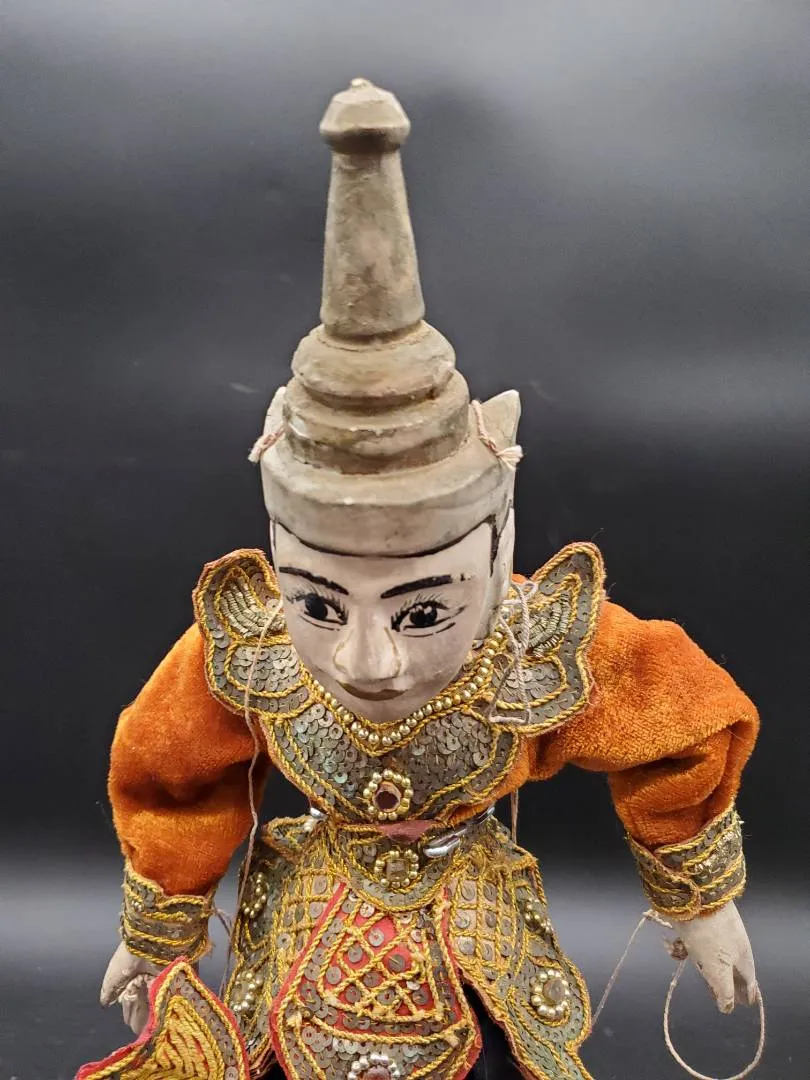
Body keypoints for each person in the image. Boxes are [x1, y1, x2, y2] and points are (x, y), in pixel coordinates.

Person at [79, 79, 759, 1080]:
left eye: (424, 609)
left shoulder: (535, 644)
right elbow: (171, 765)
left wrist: (698, 898)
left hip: (470, 936)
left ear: (497, 544)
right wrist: (162, 922)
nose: (367, 661)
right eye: (319, 602)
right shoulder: (254, 646)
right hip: (310, 932)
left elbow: (678, 721)